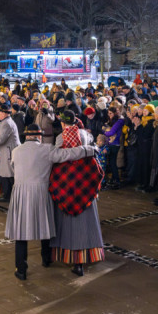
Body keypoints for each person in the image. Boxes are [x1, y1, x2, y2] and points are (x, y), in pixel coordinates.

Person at [7, 123, 97, 280]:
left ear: (25, 136)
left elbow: (13, 169)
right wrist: (89, 149)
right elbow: (69, 154)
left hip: (20, 193)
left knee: (21, 233)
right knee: (44, 227)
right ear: (39, 136)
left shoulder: (16, 151)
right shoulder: (47, 150)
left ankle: (21, 269)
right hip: (41, 192)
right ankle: (46, 259)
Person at [49, 110, 104, 276]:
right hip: (85, 185)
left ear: (62, 123)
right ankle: (87, 256)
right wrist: (87, 149)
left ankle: (72, 259)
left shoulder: (61, 137)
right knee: (87, 221)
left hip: (66, 186)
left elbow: (56, 157)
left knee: (68, 224)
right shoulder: (86, 135)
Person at [0, 104, 21, 202]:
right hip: (6, 151)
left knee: (10, 174)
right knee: (6, 174)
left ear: (5, 113)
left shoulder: (7, 123)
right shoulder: (5, 122)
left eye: (0, 112)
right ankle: (7, 195)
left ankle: (11, 196)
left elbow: (1, 139)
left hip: (9, 152)